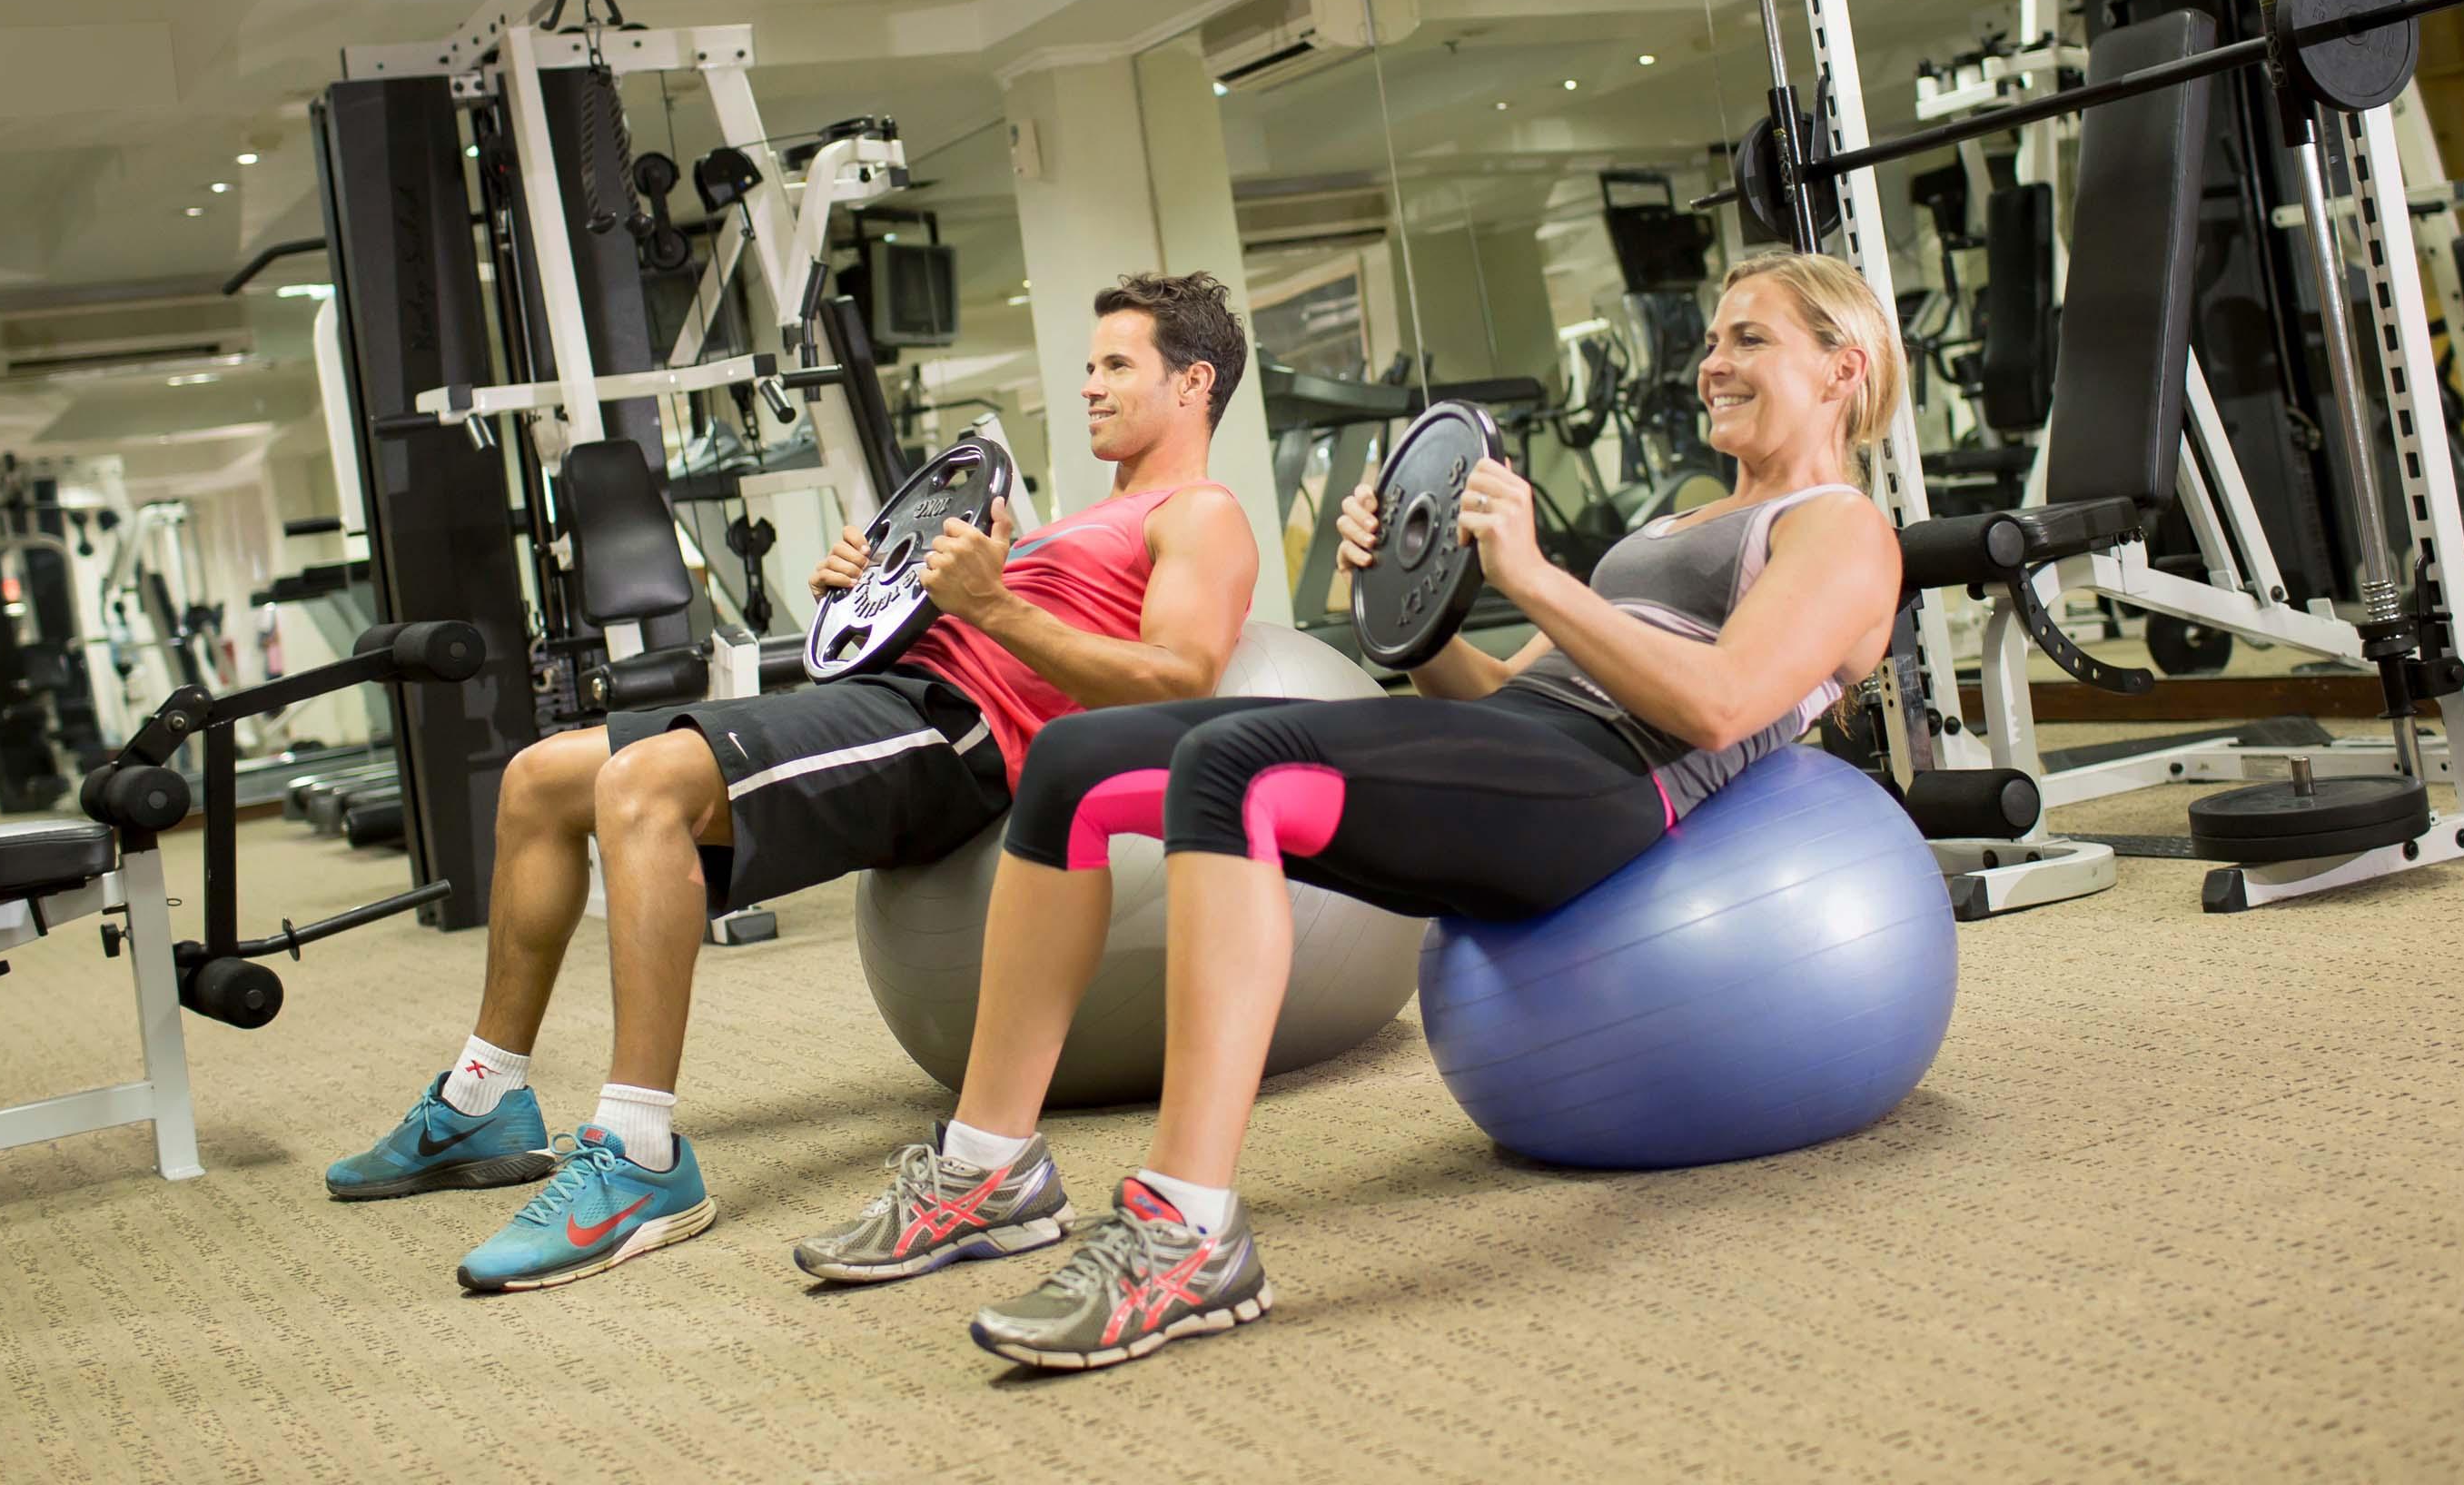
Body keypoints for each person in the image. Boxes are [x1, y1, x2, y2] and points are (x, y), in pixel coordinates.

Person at [792, 249, 1906, 1369]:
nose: (1713, 362)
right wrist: (1418, 618)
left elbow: (1716, 706)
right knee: (1078, 758)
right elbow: (1504, 696)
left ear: (1843, 366)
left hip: (1603, 788)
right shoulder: (1677, 523)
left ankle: (1187, 1229)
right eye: (1713, 339)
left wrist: (1531, 574)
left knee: (1234, 768)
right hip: (1524, 745)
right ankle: (989, 1169)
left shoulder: (1841, 527)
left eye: (1749, 339)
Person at [325, 272, 1262, 1295]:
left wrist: (988, 607)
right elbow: (968, 625)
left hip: (955, 738)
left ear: (1195, 381)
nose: (1089, 384)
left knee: (641, 786)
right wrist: (875, 592)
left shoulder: (1202, 513)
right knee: (540, 777)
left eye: (1116, 364)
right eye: (1090, 364)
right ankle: (483, 1093)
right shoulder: (1067, 522)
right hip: (900, 695)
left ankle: (639, 1159)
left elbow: (1181, 680)